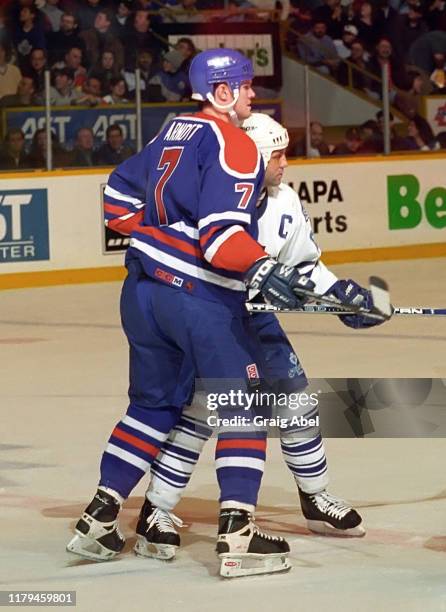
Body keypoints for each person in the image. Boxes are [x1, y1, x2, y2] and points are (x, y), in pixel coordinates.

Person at [67, 48, 317, 579]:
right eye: (247, 86)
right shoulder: (235, 145)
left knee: (152, 406)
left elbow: (115, 197)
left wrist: (161, 244)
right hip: (198, 300)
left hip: (142, 293)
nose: (253, 95)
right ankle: (238, 540)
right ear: (223, 92)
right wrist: (263, 268)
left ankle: (99, 518)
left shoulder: (172, 130)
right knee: (242, 406)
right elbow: (222, 241)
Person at [136, 113, 385, 561]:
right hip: (209, 318)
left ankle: (315, 495)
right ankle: (156, 508)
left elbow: (304, 265)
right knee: (202, 412)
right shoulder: (211, 195)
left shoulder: (285, 200)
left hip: (258, 321)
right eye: (277, 154)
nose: (285, 163)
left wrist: (344, 296)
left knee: (296, 401)